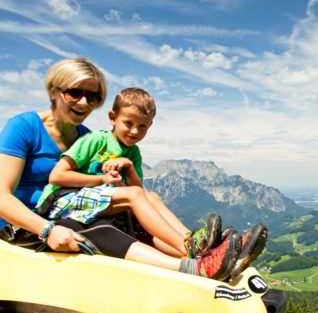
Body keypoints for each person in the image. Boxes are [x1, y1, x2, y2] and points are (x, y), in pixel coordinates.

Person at [0, 57, 265, 282]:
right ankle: (195, 262)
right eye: (74, 92)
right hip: (27, 226)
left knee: (143, 210)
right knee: (108, 225)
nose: (83, 102)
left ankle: (204, 253)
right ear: (54, 92)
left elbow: (102, 187)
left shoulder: (87, 136)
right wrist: (47, 229)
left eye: (92, 96)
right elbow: (2, 196)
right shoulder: (24, 127)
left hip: (73, 212)